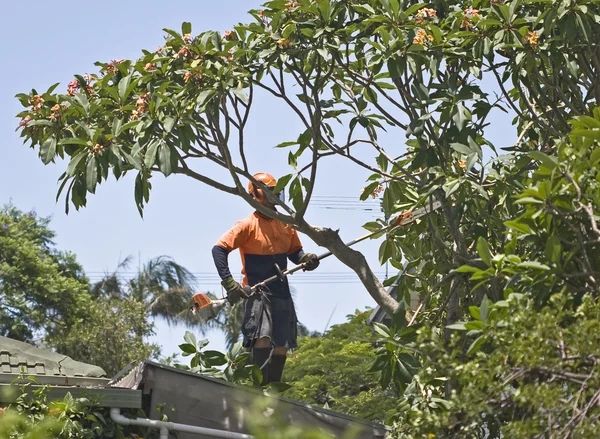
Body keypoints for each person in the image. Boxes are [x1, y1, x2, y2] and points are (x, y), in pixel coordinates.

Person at [212, 172, 319, 385]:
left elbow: (295, 251)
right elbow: (218, 250)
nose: (276, 196)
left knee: (282, 343)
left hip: (281, 289)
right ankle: (258, 390)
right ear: (258, 195)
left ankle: (273, 390)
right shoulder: (246, 225)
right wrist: (229, 283)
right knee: (262, 338)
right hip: (257, 291)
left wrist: (306, 259)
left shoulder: (285, 223)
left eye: (276, 191)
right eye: (271, 192)